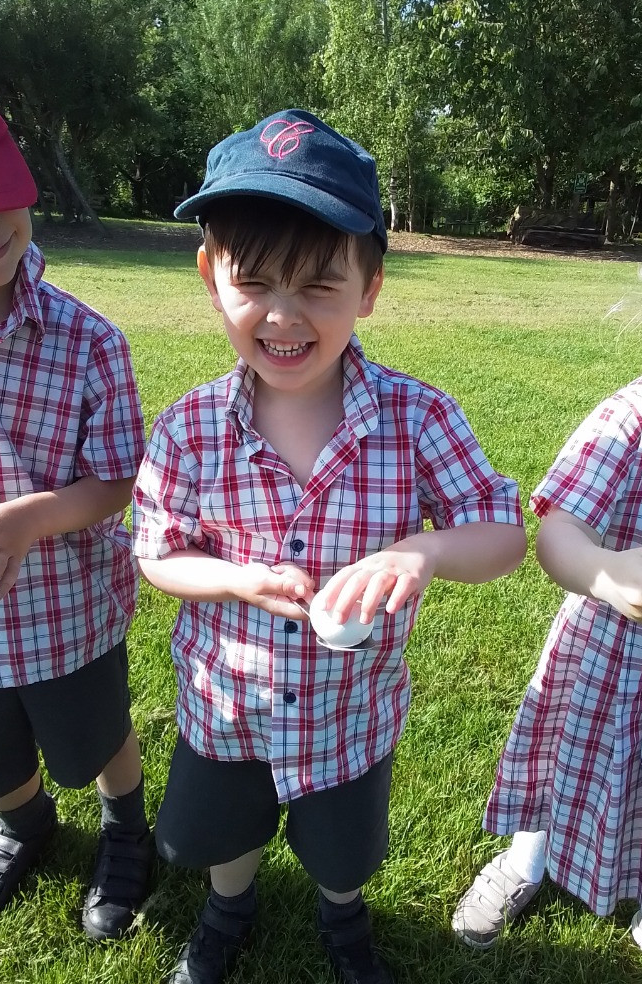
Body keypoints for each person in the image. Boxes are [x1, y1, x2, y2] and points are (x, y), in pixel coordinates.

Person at [132, 109, 527, 984]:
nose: (283, 314)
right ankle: (228, 906)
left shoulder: (416, 417)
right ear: (210, 276)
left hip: (349, 716)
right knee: (211, 836)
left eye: (318, 286)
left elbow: (504, 533)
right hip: (224, 706)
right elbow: (156, 553)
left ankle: (342, 917)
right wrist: (233, 578)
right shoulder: (191, 427)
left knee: (345, 857)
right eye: (256, 281)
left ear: (371, 286)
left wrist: (422, 553)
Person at [451, 209, 642, 983]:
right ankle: (525, 860)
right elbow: (558, 532)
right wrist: (603, 572)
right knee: (574, 768)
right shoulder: (638, 416)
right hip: (618, 664)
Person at [0, 61, 151, 940]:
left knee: (97, 730)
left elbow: (117, 481)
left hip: (66, 606)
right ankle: (22, 825)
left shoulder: (87, 342)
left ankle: (126, 828)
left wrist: (31, 516)